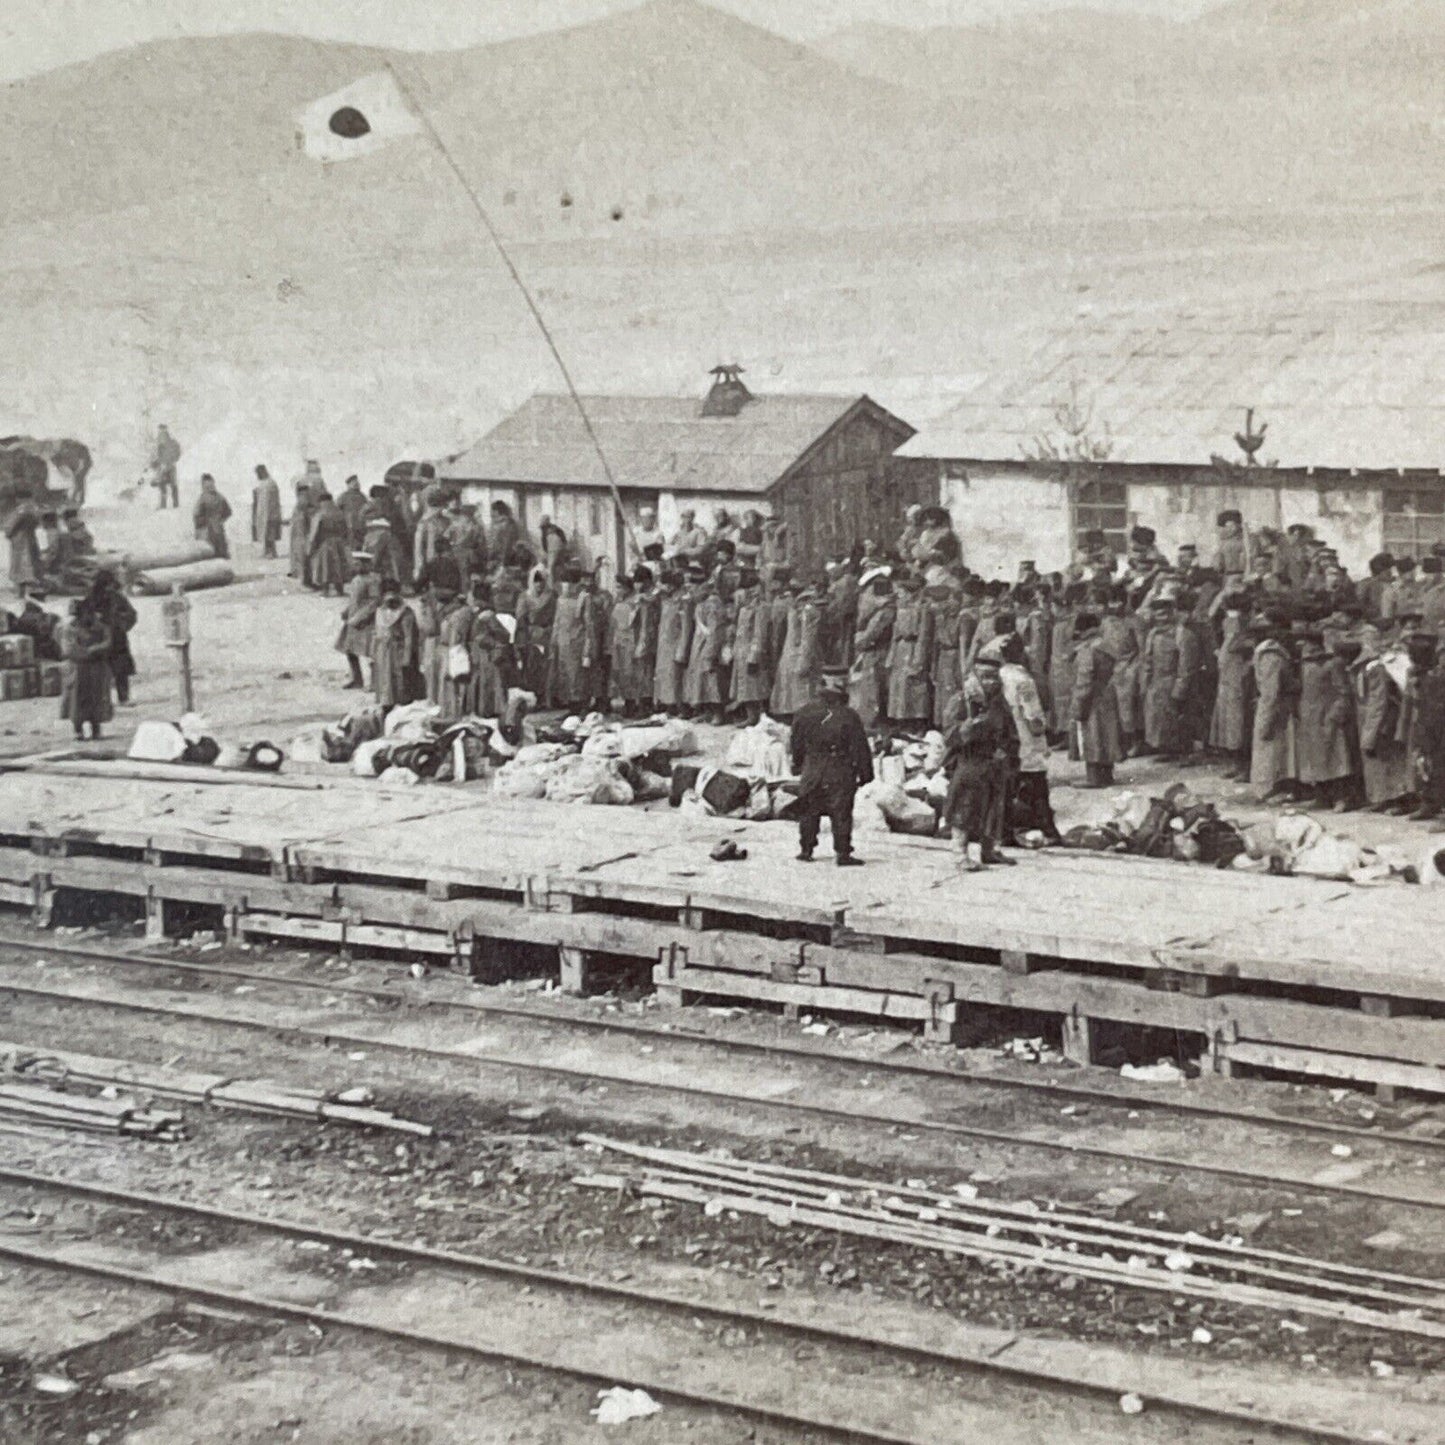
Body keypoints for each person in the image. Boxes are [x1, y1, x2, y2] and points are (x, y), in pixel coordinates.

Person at [942, 655, 1018, 871]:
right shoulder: (960, 701)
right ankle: (960, 854)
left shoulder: (999, 702)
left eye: (995, 677)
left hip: (994, 762)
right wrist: (969, 727)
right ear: (974, 676)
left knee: (995, 807)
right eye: (985, 676)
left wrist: (1007, 751)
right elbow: (949, 735)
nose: (991, 682)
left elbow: (1010, 731)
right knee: (964, 808)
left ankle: (989, 849)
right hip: (969, 761)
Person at [790, 667, 873, 867]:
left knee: (809, 810)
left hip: (812, 768)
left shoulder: (804, 712)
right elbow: (860, 748)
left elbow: (796, 743)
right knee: (841, 812)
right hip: (840, 769)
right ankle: (842, 852)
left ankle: (806, 849)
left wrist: (798, 764)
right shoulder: (849, 716)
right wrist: (866, 774)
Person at [996, 633, 1061, 843]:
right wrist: (1042, 731)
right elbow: (1033, 716)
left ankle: (1007, 830)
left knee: (1011, 786)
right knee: (1036, 786)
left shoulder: (1000, 675)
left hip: (1008, 738)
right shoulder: (1023, 680)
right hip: (1026, 739)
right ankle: (1047, 831)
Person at [1069, 610, 1124, 787]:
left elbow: (1084, 680)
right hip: (1107, 693)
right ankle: (1107, 775)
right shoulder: (1106, 646)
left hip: (1091, 699)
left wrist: (1077, 705)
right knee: (1107, 734)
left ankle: (1093, 778)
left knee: (1091, 736)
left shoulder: (1088, 650)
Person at [1250, 614, 1299, 800]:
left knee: (1270, 746)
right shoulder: (1272, 653)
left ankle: (1272, 788)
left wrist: (1266, 716)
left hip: (1275, 707)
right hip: (1276, 703)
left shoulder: (1270, 656)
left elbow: (1271, 692)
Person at [886, 572, 933, 731]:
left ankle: (916, 722)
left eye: (902, 593)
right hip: (901, 648)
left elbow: (924, 635)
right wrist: (891, 655)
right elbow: (895, 634)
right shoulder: (900, 609)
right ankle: (900, 720)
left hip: (913, 648)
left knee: (914, 685)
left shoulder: (922, 610)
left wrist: (919, 659)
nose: (899, 596)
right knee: (899, 685)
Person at [60, 599, 113, 739]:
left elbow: (108, 643)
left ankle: (96, 729)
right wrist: (88, 652)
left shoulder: (100, 627)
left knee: (97, 698)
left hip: (96, 668)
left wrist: (94, 649)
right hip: (77, 668)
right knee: (77, 700)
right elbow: (68, 648)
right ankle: (78, 730)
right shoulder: (69, 628)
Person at [770, 578, 821, 722]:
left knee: (803, 693)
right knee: (790, 693)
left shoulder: (808, 610)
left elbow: (808, 638)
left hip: (800, 655)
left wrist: (804, 661)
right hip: (790, 653)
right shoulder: (795, 606)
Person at [848, 569, 894, 730]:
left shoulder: (884, 612)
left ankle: (873, 723)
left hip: (877, 653)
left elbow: (871, 635)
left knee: (873, 690)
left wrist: (858, 641)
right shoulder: (883, 610)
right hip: (876, 651)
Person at [88, 570, 137, 706]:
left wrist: (121, 626)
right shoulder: (91, 600)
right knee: (100, 671)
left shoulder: (118, 598)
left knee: (121, 670)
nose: (108, 589)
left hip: (117, 639)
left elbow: (132, 614)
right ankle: (102, 700)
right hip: (99, 640)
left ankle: (123, 698)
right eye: (106, 585)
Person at [728, 570, 770, 726]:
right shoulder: (743, 609)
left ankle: (757, 717)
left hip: (752, 651)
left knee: (755, 686)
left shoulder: (760, 608)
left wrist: (754, 655)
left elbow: (760, 634)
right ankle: (750, 715)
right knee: (745, 686)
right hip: (741, 651)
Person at [371, 584, 420, 707]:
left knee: (399, 681)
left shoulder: (405, 612)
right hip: (382, 650)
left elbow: (409, 637)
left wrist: (406, 658)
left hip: (398, 650)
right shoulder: (380, 611)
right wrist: (373, 652)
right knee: (384, 681)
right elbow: (376, 633)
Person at [467, 581, 512, 718]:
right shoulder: (488, 614)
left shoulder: (474, 612)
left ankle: (480, 709)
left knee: (480, 682)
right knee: (491, 682)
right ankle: (490, 710)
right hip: (487, 653)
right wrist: (499, 643)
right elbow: (502, 633)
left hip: (476, 652)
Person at [336, 553, 379, 690]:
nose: (355, 566)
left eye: (359, 564)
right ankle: (356, 678)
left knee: (371, 653)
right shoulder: (356, 580)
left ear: (367, 565)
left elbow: (374, 602)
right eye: (355, 563)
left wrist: (359, 617)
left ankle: (374, 682)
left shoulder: (373, 580)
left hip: (367, 622)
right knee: (349, 649)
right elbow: (354, 600)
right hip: (353, 620)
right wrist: (347, 611)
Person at [653, 569, 692, 715]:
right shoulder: (666, 600)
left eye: (666, 584)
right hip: (664, 643)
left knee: (676, 677)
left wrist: (682, 648)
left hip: (676, 643)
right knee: (665, 676)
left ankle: (680, 707)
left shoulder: (683, 601)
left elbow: (686, 626)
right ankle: (668, 705)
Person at [516, 567, 557, 701]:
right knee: (532, 666)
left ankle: (550, 696)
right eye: (536, 581)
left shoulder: (552, 596)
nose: (539, 585)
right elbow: (521, 619)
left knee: (548, 666)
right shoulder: (525, 597)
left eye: (542, 581)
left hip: (548, 633)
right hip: (531, 635)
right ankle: (536, 696)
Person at [308, 490, 351, 597]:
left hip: (325, 543)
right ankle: (340, 590)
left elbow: (314, 532)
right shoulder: (340, 513)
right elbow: (347, 529)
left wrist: (311, 548)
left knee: (325, 566)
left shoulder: (320, 514)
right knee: (339, 566)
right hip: (339, 542)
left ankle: (325, 591)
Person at [5, 494, 42, 594]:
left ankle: (21, 593)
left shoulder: (19, 512)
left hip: (19, 541)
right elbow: (37, 522)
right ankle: (28, 592)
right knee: (30, 566)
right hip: (30, 540)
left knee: (20, 568)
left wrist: (9, 534)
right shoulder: (33, 511)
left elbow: (9, 527)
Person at [192, 474, 232, 559]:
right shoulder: (220, 497)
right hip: (219, 532)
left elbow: (196, 515)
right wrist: (220, 520)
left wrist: (200, 526)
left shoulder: (203, 498)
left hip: (207, 533)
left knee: (208, 557)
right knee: (221, 557)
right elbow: (228, 512)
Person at [289, 479, 316, 586]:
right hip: (302, 536)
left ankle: (306, 580)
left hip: (300, 536)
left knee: (303, 558)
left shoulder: (300, 504)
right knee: (304, 558)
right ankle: (305, 582)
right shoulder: (302, 504)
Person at [252, 465, 283, 558]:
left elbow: (272, 500)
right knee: (266, 533)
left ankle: (271, 552)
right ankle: (267, 551)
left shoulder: (270, 483)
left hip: (270, 513)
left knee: (270, 533)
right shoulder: (263, 484)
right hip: (264, 513)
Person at [151, 425, 180, 509]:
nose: (161, 434)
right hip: (163, 468)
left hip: (171, 467)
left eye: (163, 431)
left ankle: (176, 505)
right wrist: (155, 463)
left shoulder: (173, 443)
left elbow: (177, 455)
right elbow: (158, 457)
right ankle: (163, 505)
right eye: (160, 432)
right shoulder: (160, 445)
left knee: (173, 485)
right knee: (162, 485)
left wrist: (169, 461)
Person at [338, 474, 369, 552]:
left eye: (357, 482)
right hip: (349, 526)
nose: (357, 484)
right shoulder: (344, 496)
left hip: (361, 526)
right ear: (349, 485)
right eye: (354, 482)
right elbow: (338, 510)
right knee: (351, 547)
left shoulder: (362, 497)